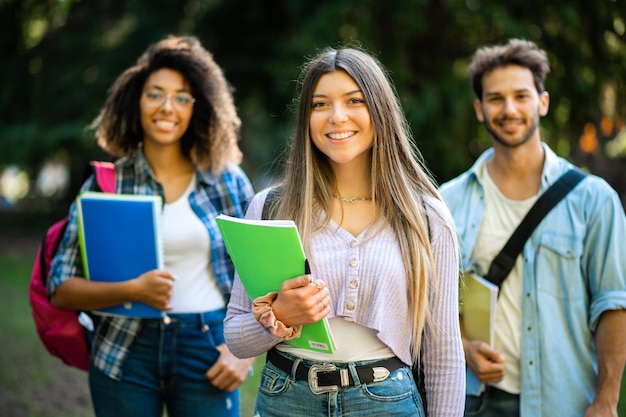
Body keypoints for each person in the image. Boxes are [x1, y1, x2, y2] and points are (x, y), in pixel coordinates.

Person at [224, 46, 466, 417]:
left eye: (354, 100)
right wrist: (281, 317)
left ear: (380, 111)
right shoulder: (270, 208)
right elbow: (236, 338)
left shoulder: (426, 217)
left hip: (387, 403)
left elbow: (444, 353)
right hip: (286, 399)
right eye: (320, 105)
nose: (337, 117)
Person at [48, 35, 256, 417]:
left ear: (200, 107)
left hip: (208, 347)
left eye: (182, 97)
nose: (167, 107)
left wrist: (243, 351)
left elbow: (260, 279)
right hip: (125, 351)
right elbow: (60, 288)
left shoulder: (229, 181)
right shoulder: (106, 184)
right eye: (155, 94)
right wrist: (134, 290)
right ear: (135, 101)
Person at [439, 38, 626, 417]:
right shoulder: (447, 201)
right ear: (479, 109)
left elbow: (612, 305)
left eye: (521, 96)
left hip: (564, 403)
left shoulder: (595, 200)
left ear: (542, 102)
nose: (509, 109)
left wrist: (606, 401)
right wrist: (463, 347)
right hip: (474, 402)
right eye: (495, 98)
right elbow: (435, 304)